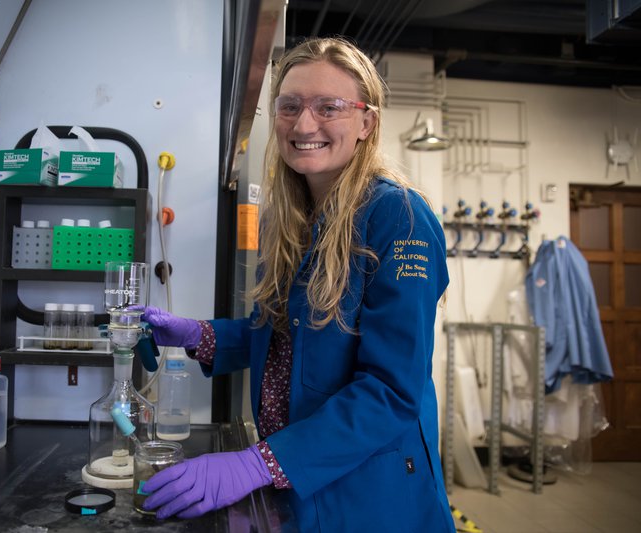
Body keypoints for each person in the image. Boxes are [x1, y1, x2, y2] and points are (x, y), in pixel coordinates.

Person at [139, 37, 455, 532]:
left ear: (366, 121)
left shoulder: (399, 216)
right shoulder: (288, 218)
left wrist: (255, 464)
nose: (304, 124)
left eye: (329, 107)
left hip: (371, 492)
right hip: (297, 482)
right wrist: (196, 335)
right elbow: (291, 338)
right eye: (290, 106)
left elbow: (392, 390)